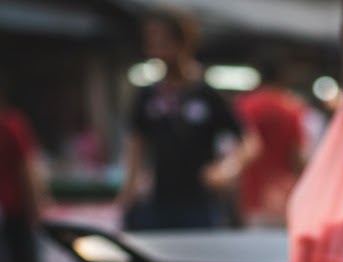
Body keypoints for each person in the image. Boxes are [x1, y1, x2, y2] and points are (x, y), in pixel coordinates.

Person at [118, 8, 259, 230]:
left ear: (183, 42)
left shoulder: (206, 94)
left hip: (200, 204)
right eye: (151, 41)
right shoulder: (148, 95)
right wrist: (129, 190)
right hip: (159, 202)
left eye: (162, 40)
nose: (155, 49)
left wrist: (226, 169)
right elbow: (135, 142)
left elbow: (249, 141)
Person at [235, 61, 307, 226]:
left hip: (252, 195)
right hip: (284, 196)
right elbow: (297, 156)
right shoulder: (292, 108)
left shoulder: (245, 105)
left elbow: (237, 150)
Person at [0, 85, 46, 262]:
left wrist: (36, 202)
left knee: (24, 255)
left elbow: (28, 164)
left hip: (17, 204)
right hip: (5, 206)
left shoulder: (13, 124)